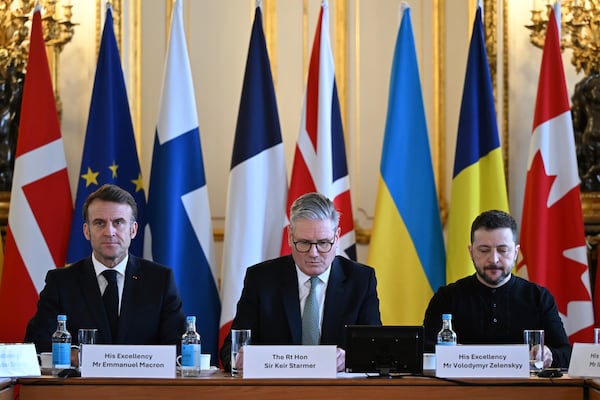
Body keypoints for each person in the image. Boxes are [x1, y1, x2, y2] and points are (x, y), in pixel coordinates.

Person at [219, 192, 381, 372]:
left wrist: (351, 358)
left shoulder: (360, 280)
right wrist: (239, 359)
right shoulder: (261, 279)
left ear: (337, 237)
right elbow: (230, 350)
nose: (313, 253)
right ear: (290, 237)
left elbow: (376, 350)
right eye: (304, 243)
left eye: (323, 243)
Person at [25, 184, 186, 354]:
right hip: (81, 380)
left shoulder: (160, 280)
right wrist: (73, 355)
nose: (109, 232)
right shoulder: (61, 282)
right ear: (87, 231)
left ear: (133, 230)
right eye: (99, 223)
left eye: (118, 222)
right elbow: (37, 342)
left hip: (141, 380)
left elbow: (179, 347)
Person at [423, 210, 571, 368]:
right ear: (471, 252)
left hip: (525, 391)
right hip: (460, 390)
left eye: (502, 250)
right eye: (484, 250)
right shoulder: (446, 297)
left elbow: (565, 353)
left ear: (515, 253)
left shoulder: (538, 297)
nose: (493, 259)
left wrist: (549, 354)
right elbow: (424, 350)